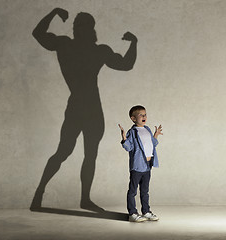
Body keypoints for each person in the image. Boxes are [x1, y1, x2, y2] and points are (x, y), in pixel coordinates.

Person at [30, 8, 138, 212]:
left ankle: (83, 199)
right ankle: (40, 192)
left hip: (89, 109)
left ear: (89, 30)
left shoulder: (91, 50)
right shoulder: (70, 46)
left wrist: (134, 43)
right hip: (82, 107)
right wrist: (52, 12)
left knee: (88, 154)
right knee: (65, 151)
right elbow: (38, 34)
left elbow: (126, 64)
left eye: (83, 26)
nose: (80, 30)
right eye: (79, 26)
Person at [118, 105, 163, 222]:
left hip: (148, 166)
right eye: (141, 115)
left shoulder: (147, 129)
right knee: (133, 191)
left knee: (145, 191)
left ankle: (146, 211)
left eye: (145, 114)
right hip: (137, 166)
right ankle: (132, 213)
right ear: (133, 119)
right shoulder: (132, 132)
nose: (144, 116)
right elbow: (129, 147)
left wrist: (156, 134)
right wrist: (124, 139)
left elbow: (152, 144)